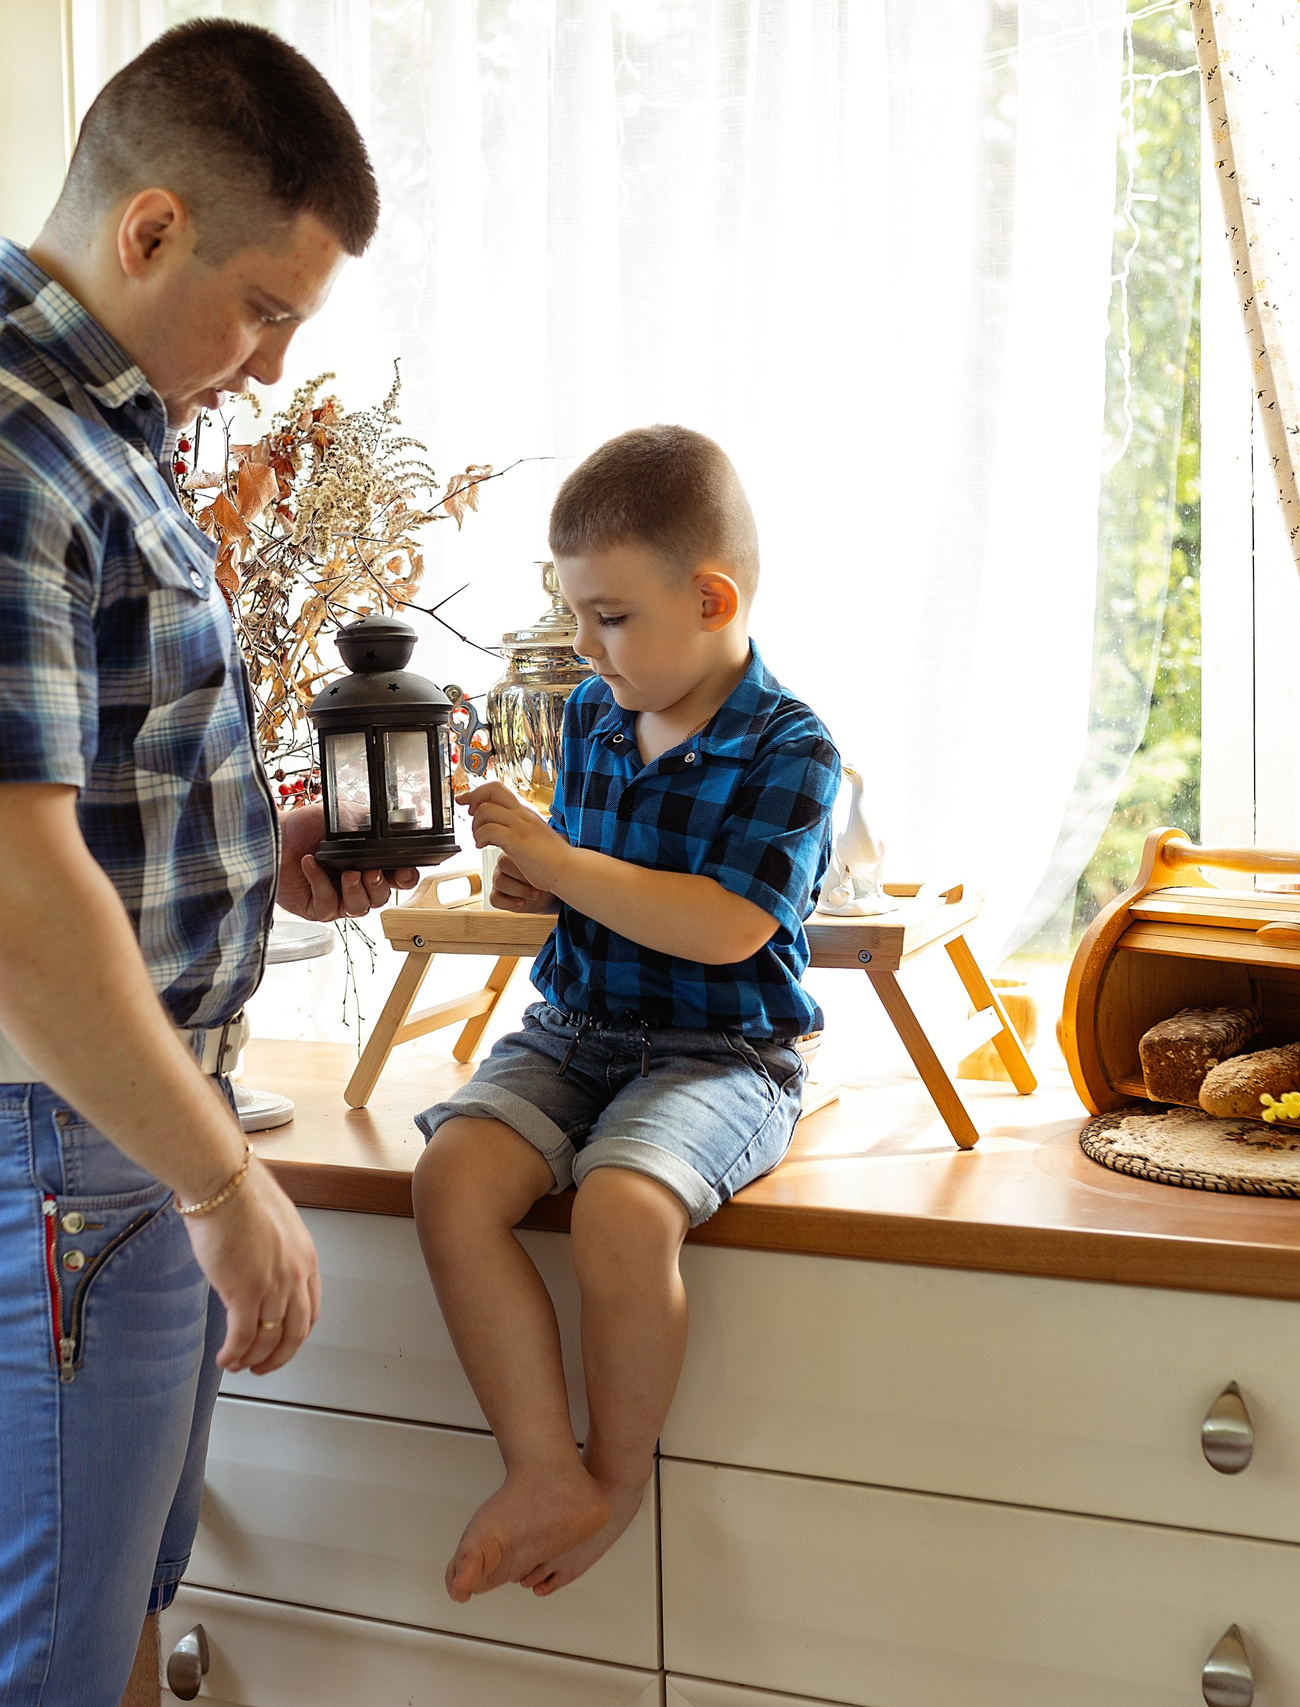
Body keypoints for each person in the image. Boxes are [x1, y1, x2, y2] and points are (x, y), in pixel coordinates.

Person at [0, 22, 408, 1706]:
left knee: (105, 1632)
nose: (270, 365)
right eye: (262, 306)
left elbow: (65, 812)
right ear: (148, 228)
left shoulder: (93, 427)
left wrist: (259, 854)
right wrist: (220, 1182)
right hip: (40, 1141)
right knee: (20, 1679)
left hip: (80, 1128)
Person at [413, 425, 842, 1602]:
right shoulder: (598, 721)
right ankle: (542, 1466)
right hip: (579, 1030)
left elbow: (722, 926)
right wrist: (539, 881)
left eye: (607, 616)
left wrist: (562, 856)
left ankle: (617, 1475)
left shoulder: (789, 747)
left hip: (723, 1052)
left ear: (710, 598)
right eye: (573, 616)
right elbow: (593, 890)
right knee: (450, 1180)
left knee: (618, 1208)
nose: (583, 646)